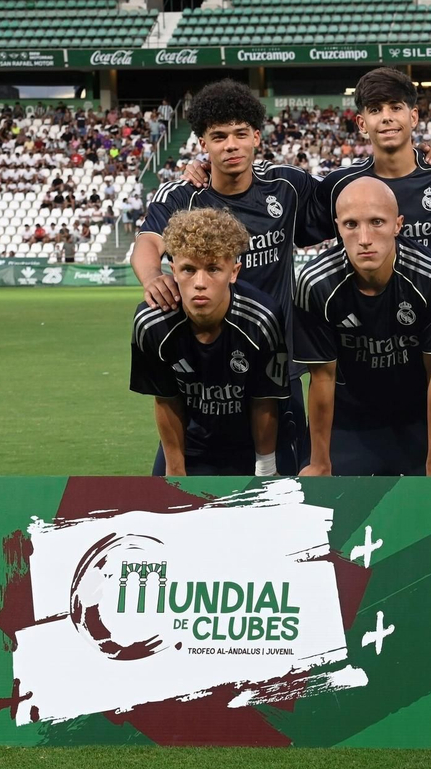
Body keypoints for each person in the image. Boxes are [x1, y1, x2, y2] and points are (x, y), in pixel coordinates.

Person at [136, 79, 323, 475]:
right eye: (218, 136)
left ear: (257, 136)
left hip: (275, 367)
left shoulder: (288, 187)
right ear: (202, 142)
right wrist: (154, 277)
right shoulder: (180, 195)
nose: (231, 145)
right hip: (198, 375)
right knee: (173, 492)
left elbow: (352, 200)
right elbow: (148, 243)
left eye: (240, 134)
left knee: (282, 499)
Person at [294, 177, 431, 477]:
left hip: (420, 414)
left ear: (398, 224)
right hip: (349, 418)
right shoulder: (315, 282)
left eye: (377, 222)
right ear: (337, 227)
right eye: (351, 225)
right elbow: (322, 379)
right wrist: (320, 462)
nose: (364, 237)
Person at [129, 208, 288, 477]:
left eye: (213, 268)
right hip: (188, 444)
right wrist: (176, 471)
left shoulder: (261, 318)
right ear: (173, 270)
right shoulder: (152, 323)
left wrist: (265, 469)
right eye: (189, 269)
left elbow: (264, 401)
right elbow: (166, 400)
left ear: (234, 271)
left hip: (249, 444)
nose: (200, 283)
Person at [315, 67, 431, 273]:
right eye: (376, 110)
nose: (386, 117)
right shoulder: (339, 184)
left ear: (413, 117)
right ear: (362, 123)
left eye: (395, 107)